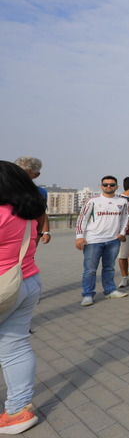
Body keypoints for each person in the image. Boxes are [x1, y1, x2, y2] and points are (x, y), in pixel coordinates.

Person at [0, 161, 46, 434]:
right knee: (15, 347)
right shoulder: (26, 213)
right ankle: (18, 411)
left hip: (5, 288)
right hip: (27, 282)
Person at [75, 176, 129, 306]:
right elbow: (82, 219)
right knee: (90, 270)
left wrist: (122, 233)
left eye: (112, 185)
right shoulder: (92, 201)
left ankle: (110, 290)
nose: (108, 187)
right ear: (101, 186)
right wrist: (79, 236)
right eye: (105, 184)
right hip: (93, 240)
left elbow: (125, 218)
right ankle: (88, 294)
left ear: (116, 187)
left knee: (109, 268)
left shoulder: (122, 201)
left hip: (112, 240)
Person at [13, 157, 50, 245]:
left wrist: (41, 234)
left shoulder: (40, 193)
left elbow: (41, 215)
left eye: (24, 174)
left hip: (26, 237)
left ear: (36, 175)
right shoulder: (5, 189)